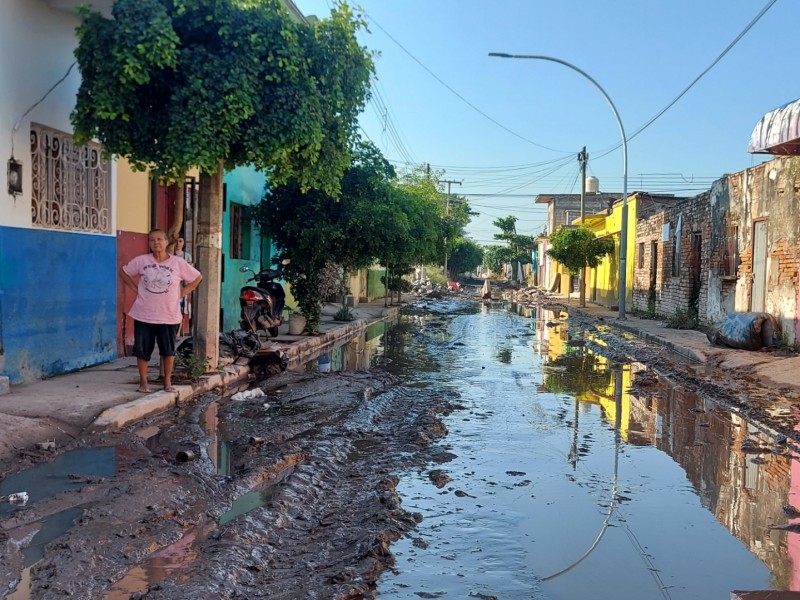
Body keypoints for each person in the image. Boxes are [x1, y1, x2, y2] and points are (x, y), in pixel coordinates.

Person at [120, 229, 202, 393]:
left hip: (168, 314)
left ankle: (167, 382)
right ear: (149, 244)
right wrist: (135, 288)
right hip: (144, 313)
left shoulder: (177, 263)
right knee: (142, 350)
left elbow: (197, 277)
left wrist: (183, 292)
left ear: (166, 242)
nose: (156, 243)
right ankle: (143, 382)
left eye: (159, 239)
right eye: (152, 240)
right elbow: (124, 272)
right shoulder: (142, 260)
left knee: (168, 350)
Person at [173, 236, 193, 336]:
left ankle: (177, 333)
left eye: (180, 241)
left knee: (180, 308)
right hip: (172, 285)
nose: (178, 243)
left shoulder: (187, 256)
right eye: (176, 241)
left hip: (182, 285)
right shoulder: (170, 254)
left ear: (184, 243)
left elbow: (190, 270)